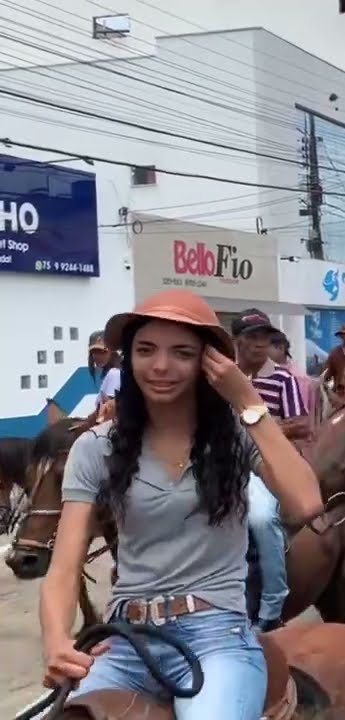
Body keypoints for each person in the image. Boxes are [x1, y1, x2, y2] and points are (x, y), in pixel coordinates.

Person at [40, 289, 323, 719]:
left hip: (217, 638)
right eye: (145, 350)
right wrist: (57, 642)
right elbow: (63, 567)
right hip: (125, 641)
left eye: (182, 353)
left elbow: (306, 503)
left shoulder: (236, 434)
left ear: (209, 363)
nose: (160, 366)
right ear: (128, 359)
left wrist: (247, 400)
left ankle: (272, 605)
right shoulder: (95, 447)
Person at [231, 310, 307, 631]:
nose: (260, 343)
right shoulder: (221, 379)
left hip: (262, 465)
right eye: (253, 337)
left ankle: (271, 606)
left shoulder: (282, 379)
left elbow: (302, 424)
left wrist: (262, 428)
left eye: (265, 336)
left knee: (261, 518)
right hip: (221, 463)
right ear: (237, 341)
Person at [87, 330, 122, 411]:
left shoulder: (115, 373)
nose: (97, 356)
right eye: (94, 352)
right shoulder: (112, 372)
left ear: (112, 351)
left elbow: (109, 410)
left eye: (102, 351)